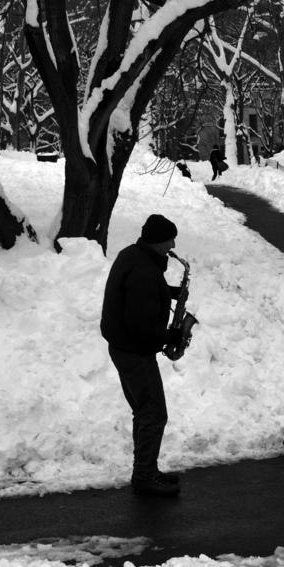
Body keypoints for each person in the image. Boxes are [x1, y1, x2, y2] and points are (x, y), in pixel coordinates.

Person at [101, 213, 185, 497]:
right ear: (157, 240)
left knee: (144, 412)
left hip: (123, 347)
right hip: (134, 351)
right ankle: (145, 475)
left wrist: (170, 292)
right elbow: (141, 324)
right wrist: (170, 337)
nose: (173, 244)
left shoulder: (134, 256)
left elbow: (140, 297)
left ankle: (146, 469)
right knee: (153, 413)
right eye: (169, 239)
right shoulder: (145, 272)